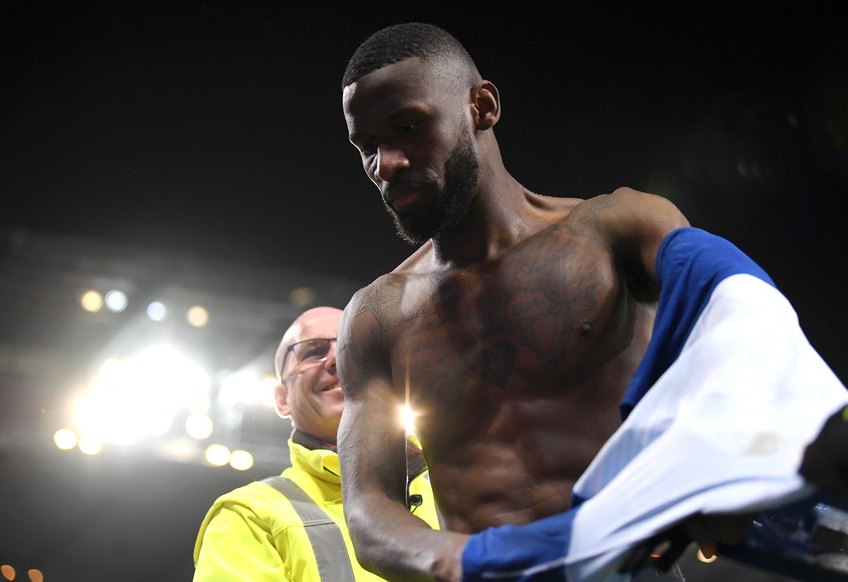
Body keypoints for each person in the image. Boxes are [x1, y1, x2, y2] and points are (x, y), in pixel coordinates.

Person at [335, 22, 848, 582]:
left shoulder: (618, 227)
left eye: (407, 127)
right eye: (367, 147)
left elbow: (737, 311)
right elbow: (367, 512)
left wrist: (734, 460)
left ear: (481, 106)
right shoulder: (377, 315)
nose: (385, 164)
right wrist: (463, 561)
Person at [192, 306, 441, 581]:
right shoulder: (250, 517)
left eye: (351, 346)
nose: (337, 359)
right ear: (282, 399)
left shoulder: (459, 481)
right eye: (313, 351)